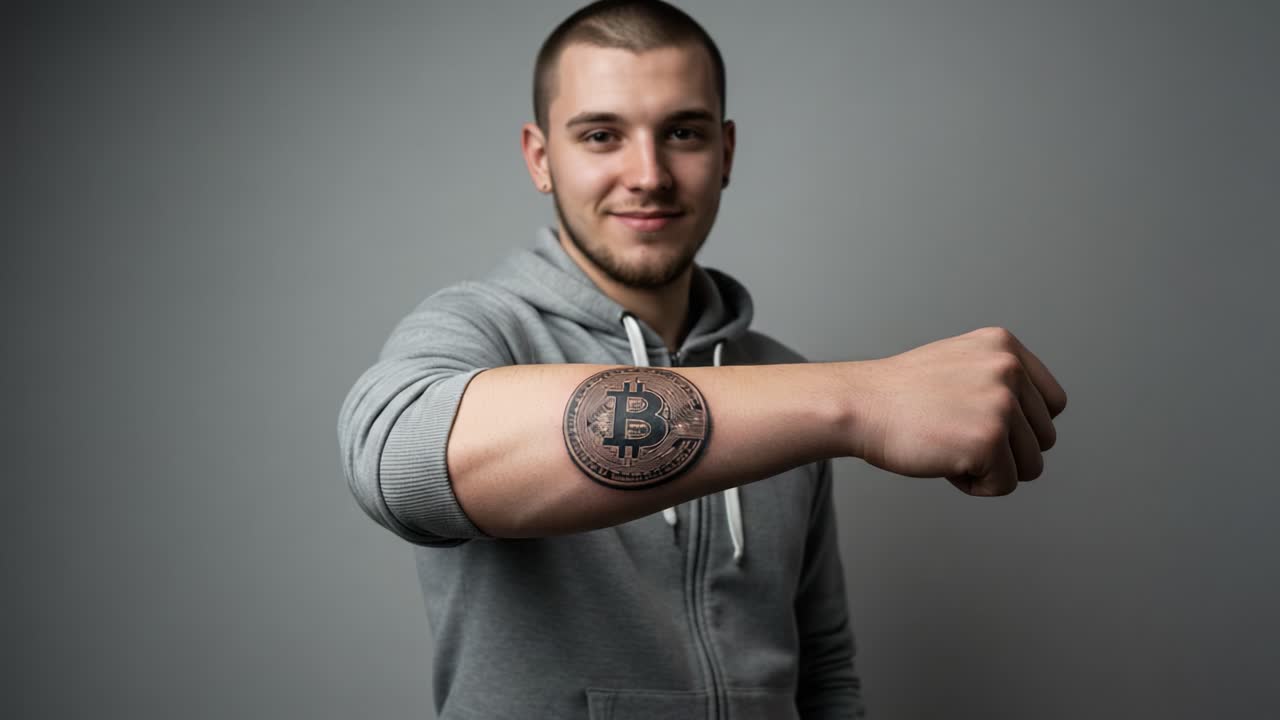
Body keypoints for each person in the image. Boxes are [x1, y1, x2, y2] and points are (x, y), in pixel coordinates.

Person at [337, 1, 1068, 718]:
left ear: (726, 151)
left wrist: (827, 400)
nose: (649, 174)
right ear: (540, 157)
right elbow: (399, 462)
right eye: (601, 136)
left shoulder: (782, 378)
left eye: (681, 132)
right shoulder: (481, 329)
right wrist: (861, 400)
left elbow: (824, 669)